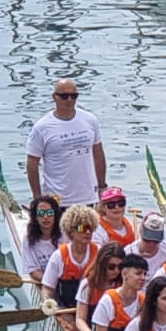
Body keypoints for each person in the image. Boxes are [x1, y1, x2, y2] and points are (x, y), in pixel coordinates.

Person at [26, 78, 105, 206]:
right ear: (54, 97)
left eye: (73, 96)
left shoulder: (90, 120)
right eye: (64, 96)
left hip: (87, 198)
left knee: (82, 227)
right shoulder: (42, 127)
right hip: (56, 201)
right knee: (63, 227)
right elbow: (32, 164)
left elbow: (99, 155)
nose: (69, 100)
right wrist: (37, 197)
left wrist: (102, 186)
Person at [39, 204, 99, 308]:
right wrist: (49, 305)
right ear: (71, 232)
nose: (88, 232)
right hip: (66, 309)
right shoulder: (58, 256)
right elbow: (47, 289)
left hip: (94, 308)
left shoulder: (99, 252)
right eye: (82, 228)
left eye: (91, 228)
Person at [91, 254, 148, 331]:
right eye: (138, 273)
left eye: (145, 274)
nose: (143, 278)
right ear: (125, 274)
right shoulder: (108, 301)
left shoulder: (143, 302)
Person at [72, 245, 125, 331]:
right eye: (111, 267)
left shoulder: (122, 284)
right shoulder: (87, 285)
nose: (116, 271)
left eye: (120, 267)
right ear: (102, 265)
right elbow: (80, 319)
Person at [21, 194, 62, 283]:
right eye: (41, 213)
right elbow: (33, 271)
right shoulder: (28, 239)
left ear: (55, 215)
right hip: (46, 281)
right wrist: (52, 281)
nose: (46, 217)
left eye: (50, 213)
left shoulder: (65, 234)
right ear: (35, 217)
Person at [125, 211, 166, 277]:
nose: (151, 244)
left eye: (156, 241)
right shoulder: (127, 252)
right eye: (147, 240)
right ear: (141, 233)